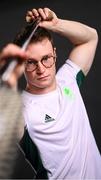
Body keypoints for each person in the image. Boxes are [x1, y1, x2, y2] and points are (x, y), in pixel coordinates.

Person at [0, 7, 101, 179]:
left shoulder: (68, 78)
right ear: (22, 64)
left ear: (54, 54)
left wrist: (56, 24)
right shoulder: (21, 110)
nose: (41, 69)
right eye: (31, 62)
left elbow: (91, 37)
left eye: (46, 58)